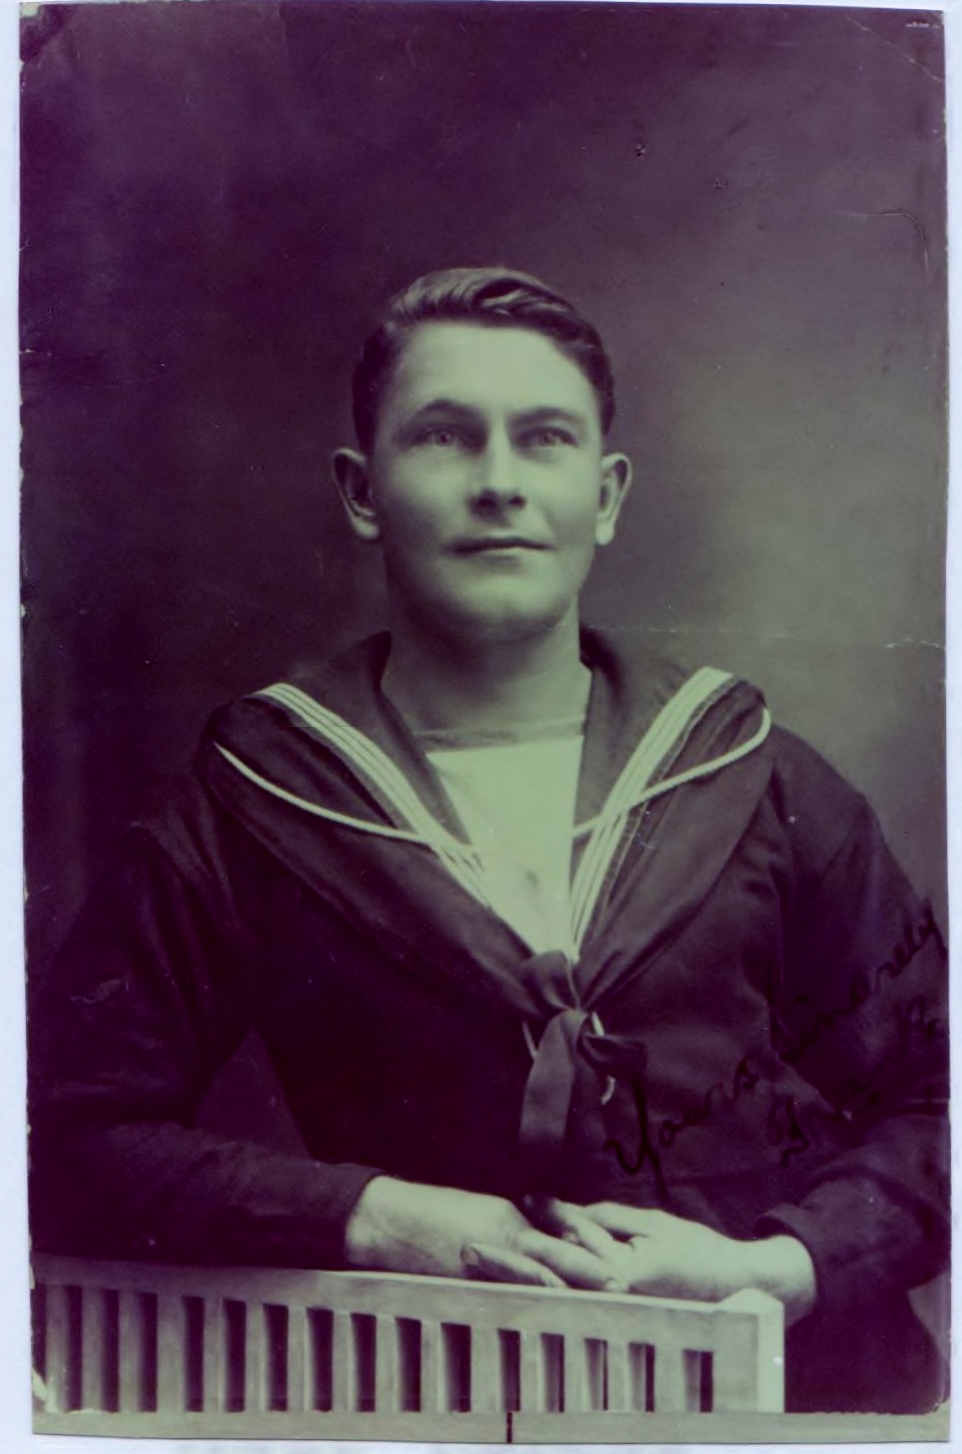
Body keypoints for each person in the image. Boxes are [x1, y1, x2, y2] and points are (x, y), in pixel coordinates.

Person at [30, 267, 948, 1414]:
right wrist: (380, 1216)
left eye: (544, 438)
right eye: (444, 437)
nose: (499, 481)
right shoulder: (257, 795)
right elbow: (61, 1139)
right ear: (362, 491)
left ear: (604, 495)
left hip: (799, 1399)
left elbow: (939, 1098)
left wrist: (776, 1266)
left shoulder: (751, 773)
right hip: (455, 1405)